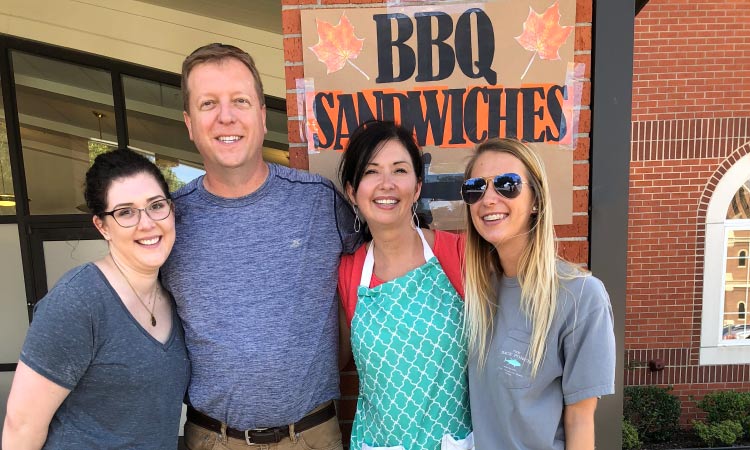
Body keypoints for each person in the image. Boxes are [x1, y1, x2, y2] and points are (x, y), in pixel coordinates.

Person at [159, 43, 358, 450]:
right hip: (213, 439)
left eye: (240, 101)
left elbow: (379, 269)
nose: (226, 116)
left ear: (263, 117)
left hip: (312, 436)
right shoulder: (168, 223)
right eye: (208, 103)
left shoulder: (319, 202)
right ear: (189, 123)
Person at [2, 148, 189, 450]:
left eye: (156, 205)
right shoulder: (79, 302)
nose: (147, 223)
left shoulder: (175, 294)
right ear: (102, 226)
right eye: (125, 212)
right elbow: (21, 426)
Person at [460, 138, 616, 450]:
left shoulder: (581, 296)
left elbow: (581, 421)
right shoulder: (480, 292)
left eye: (507, 184)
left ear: (535, 200)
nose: (488, 198)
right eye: (476, 187)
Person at [337, 120, 473, 450]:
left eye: (399, 170)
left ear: (416, 188)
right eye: (371, 172)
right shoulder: (348, 272)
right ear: (352, 192)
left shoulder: (458, 255)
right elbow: (334, 363)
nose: (386, 184)